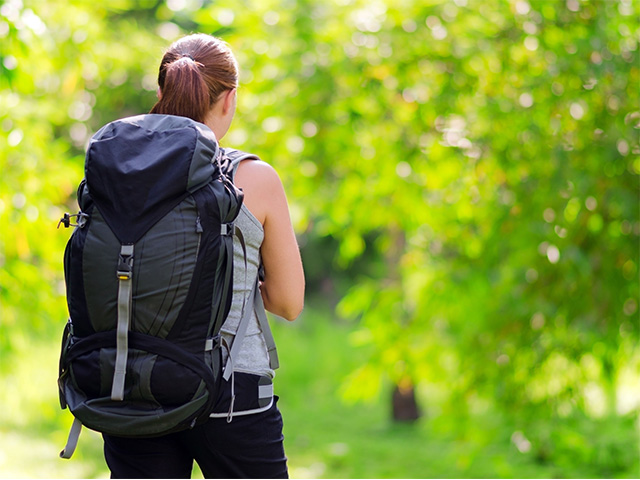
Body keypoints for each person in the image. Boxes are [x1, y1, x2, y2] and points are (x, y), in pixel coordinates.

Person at [101, 33, 305, 479]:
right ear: (229, 99)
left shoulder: (115, 169)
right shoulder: (254, 178)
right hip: (231, 397)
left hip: (132, 387)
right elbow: (289, 303)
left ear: (162, 92)